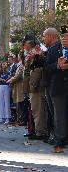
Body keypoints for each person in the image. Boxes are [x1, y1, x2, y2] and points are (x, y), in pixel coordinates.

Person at [46, 25, 68, 153]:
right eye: (63, 36)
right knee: (59, 115)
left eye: (66, 37)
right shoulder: (55, 50)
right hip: (58, 86)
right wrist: (58, 66)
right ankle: (60, 139)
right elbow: (47, 67)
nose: (64, 39)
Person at [23, 36, 47, 140]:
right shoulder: (29, 54)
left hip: (36, 86)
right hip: (31, 85)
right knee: (33, 110)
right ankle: (35, 130)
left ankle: (40, 132)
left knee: (38, 111)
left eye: (26, 44)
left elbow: (36, 70)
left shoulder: (38, 53)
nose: (24, 46)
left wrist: (32, 85)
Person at [42, 28, 61, 144]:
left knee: (57, 113)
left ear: (50, 36)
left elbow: (51, 66)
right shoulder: (51, 49)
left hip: (55, 85)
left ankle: (59, 137)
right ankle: (55, 135)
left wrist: (53, 66)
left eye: (44, 36)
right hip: (50, 84)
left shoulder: (57, 48)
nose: (43, 39)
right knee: (53, 112)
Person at [7, 53, 25, 125]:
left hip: (20, 86)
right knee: (17, 104)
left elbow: (18, 75)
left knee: (20, 104)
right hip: (17, 86)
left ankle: (20, 120)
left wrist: (10, 80)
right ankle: (18, 119)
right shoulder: (19, 64)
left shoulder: (21, 65)